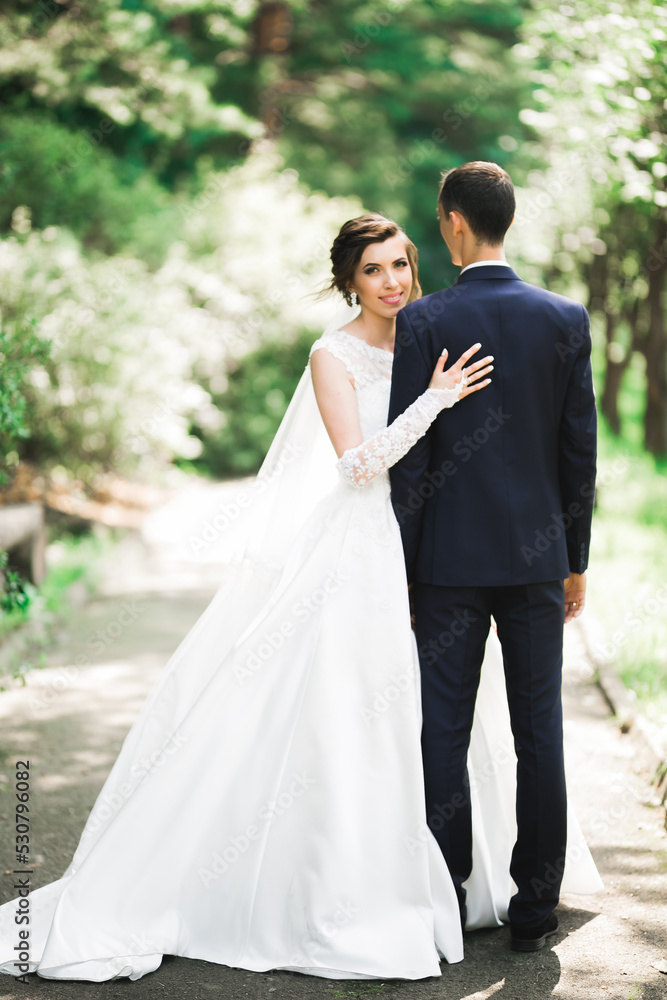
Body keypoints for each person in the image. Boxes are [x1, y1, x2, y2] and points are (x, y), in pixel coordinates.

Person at [0, 213, 600, 984]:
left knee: (426, 717)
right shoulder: (332, 353)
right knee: (353, 714)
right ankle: (340, 883)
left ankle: (436, 878)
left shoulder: (423, 332)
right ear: (348, 279)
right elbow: (357, 465)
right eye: (375, 270)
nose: (392, 282)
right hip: (360, 544)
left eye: (401, 266)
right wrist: (434, 400)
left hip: (429, 551)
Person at [389, 162, 598, 952]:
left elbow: (410, 464)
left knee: (440, 730)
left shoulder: (425, 321)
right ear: (504, 221)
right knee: (538, 729)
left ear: (451, 223)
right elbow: (578, 450)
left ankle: (446, 901)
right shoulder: (563, 318)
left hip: (445, 565)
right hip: (539, 560)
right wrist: (574, 558)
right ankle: (535, 910)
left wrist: (402, 567)